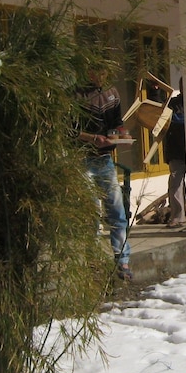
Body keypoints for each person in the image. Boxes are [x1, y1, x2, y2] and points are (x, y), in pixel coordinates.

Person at [76, 67, 132, 280]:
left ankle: (122, 259)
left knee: (117, 208)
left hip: (104, 158)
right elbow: (69, 130)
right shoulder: (76, 95)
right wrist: (92, 138)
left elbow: (117, 123)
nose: (100, 76)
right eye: (96, 72)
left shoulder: (112, 93)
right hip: (82, 157)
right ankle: (92, 260)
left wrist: (121, 135)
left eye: (104, 72)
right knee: (91, 210)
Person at [163, 86, 186, 228]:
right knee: (175, 182)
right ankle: (178, 217)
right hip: (176, 150)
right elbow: (159, 114)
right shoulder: (172, 104)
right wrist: (154, 90)